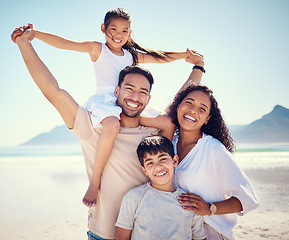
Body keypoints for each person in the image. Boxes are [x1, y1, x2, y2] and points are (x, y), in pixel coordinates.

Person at [11, 25, 205, 240]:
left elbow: (181, 102)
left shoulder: (154, 134)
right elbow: (53, 92)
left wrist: (199, 67)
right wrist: (24, 43)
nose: (135, 96)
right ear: (116, 91)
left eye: (143, 92)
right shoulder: (95, 127)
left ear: (148, 99)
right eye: (129, 88)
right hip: (102, 234)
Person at [22, 8, 189, 207]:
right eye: (113, 29)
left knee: (167, 123)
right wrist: (35, 34)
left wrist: (186, 56)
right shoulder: (98, 49)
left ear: (130, 33)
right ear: (103, 28)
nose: (118, 35)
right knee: (111, 126)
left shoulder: (131, 55)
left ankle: (161, 171)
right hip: (107, 103)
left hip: (130, 103)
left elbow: (160, 57)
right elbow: (66, 44)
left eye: (124, 31)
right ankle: (94, 181)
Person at [143, 84, 259, 239]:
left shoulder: (213, 150)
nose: (193, 110)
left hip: (211, 233)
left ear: (207, 119)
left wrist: (210, 208)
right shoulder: (168, 146)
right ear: (178, 107)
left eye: (202, 109)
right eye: (188, 103)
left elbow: (248, 199)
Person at [115, 135, 207, 240]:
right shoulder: (134, 198)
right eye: (150, 163)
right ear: (144, 170)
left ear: (175, 161)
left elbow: (200, 238)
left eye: (163, 159)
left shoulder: (189, 202)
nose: (158, 166)